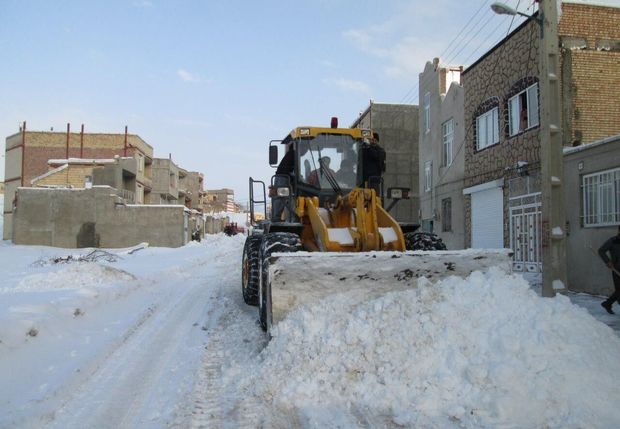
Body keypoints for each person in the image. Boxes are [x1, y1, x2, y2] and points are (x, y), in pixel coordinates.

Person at [598, 225, 620, 314]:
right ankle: (608, 303)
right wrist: (608, 261)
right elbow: (601, 250)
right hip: (617, 269)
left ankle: (607, 303)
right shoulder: (613, 241)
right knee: (619, 290)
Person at [271, 144, 295, 221]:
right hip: (283, 177)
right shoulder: (294, 154)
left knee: (281, 197)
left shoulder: (291, 154)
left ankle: (277, 217)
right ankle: (276, 218)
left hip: (283, 176)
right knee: (280, 196)